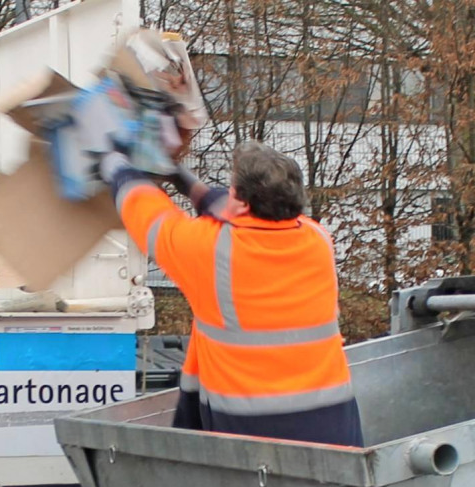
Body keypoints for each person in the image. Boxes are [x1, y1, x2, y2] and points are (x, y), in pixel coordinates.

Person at [99, 140, 363, 447]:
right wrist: (184, 180)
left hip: (249, 430)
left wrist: (116, 167)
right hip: (332, 424)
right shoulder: (317, 238)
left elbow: (147, 214)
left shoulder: (211, 249)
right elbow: (229, 208)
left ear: (241, 203)